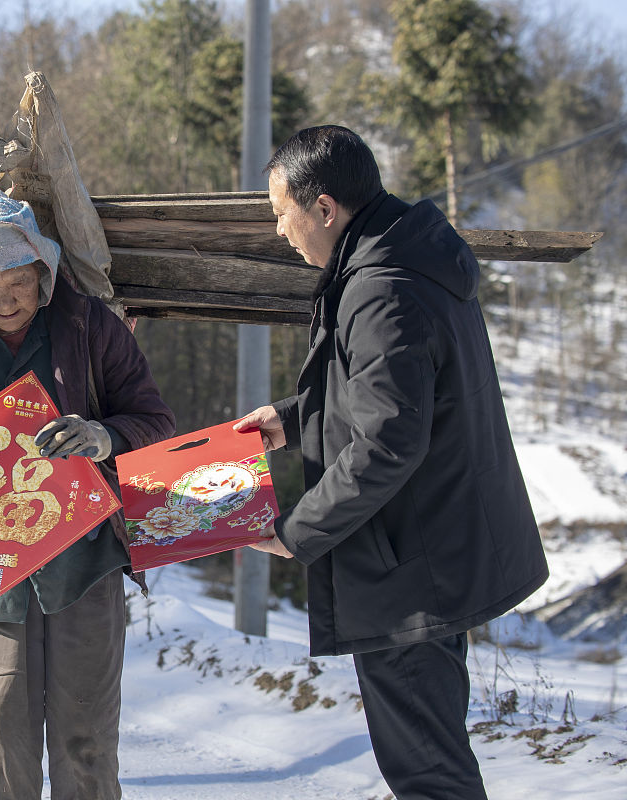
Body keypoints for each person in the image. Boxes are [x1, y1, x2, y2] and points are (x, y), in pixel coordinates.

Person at [234, 125, 548, 799]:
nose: (279, 232)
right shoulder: (406, 260)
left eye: (282, 213)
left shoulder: (381, 290)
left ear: (323, 209)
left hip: (408, 565)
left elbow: (385, 444)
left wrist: (298, 529)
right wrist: (292, 422)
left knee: (427, 771)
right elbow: (391, 398)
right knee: (431, 752)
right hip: (429, 549)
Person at [0, 185, 175, 800]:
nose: (2, 301)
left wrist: (102, 436)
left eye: (16, 283)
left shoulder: (90, 327)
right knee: (1, 740)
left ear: (41, 270)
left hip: (85, 560)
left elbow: (155, 421)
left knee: (86, 739)